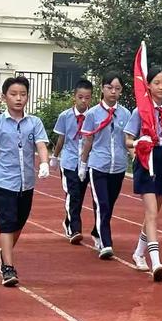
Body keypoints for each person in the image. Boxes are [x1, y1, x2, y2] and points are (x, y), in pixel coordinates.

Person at [0, 76, 49, 287]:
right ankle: (8, 267)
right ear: (4, 97)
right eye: (13, 94)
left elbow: (41, 144)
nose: (18, 98)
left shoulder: (34, 122)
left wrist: (43, 163)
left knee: (19, 221)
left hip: (26, 182)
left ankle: (3, 252)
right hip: (2, 181)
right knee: (6, 223)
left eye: (23, 94)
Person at [124, 66, 162, 282]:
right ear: (148, 85)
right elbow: (128, 139)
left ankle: (138, 252)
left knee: (154, 212)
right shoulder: (140, 110)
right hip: (146, 159)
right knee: (151, 212)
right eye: (157, 82)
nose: (161, 87)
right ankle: (156, 260)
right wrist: (137, 144)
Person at [79, 72, 131, 259]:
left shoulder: (126, 114)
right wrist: (83, 164)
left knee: (109, 204)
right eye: (110, 88)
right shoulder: (92, 113)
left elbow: (128, 140)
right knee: (102, 204)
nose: (113, 92)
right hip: (98, 165)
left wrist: (136, 153)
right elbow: (88, 141)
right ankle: (106, 243)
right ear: (102, 88)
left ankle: (96, 230)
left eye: (117, 89)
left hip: (118, 166)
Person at [50, 79, 93, 245]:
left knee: (79, 196)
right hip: (69, 162)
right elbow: (61, 138)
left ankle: (68, 221)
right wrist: (55, 157)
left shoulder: (93, 115)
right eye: (80, 97)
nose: (83, 101)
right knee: (73, 193)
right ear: (74, 97)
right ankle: (75, 228)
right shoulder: (65, 116)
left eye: (87, 98)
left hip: (87, 162)